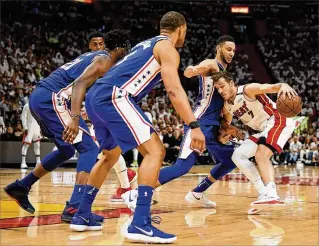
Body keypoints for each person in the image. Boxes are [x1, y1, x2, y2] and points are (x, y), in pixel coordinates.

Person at [63, 11, 206, 243]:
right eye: (185, 32)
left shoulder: (146, 43)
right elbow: (174, 90)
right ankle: (140, 223)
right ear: (181, 28)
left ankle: (82, 214)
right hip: (115, 96)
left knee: (110, 155)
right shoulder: (168, 48)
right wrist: (193, 125)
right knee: (156, 151)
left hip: (96, 95)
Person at [3, 30, 130, 224]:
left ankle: (21, 186)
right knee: (89, 148)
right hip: (52, 98)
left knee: (66, 149)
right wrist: (75, 116)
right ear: (120, 49)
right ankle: (74, 207)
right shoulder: (103, 59)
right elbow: (79, 84)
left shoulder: (95, 57)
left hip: (42, 98)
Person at [154, 36, 243, 209]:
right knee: (182, 166)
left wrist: (227, 127)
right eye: (228, 49)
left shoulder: (226, 75)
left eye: (233, 50)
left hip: (213, 126)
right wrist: (193, 70)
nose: (231, 53)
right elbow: (190, 71)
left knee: (232, 159)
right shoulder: (211, 64)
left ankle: (197, 193)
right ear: (218, 48)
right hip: (199, 123)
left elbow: (221, 108)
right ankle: (138, 191)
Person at [212, 70, 297, 213]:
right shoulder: (227, 106)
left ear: (231, 83)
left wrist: (283, 85)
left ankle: (272, 194)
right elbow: (225, 123)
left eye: (222, 86)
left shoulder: (247, 90)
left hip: (278, 119)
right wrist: (226, 130)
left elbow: (266, 87)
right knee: (238, 155)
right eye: (217, 88)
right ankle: (264, 193)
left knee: (261, 154)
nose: (220, 90)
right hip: (264, 129)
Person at [87, 31, 138, 203]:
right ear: (89, 46)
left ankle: (125, 185)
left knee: (106, 149)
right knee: (105, 150)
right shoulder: (91, 61)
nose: (99, 47)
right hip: (94, 106)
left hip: (107, 106)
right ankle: (126, 177)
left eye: (102, 44)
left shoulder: (111, 62)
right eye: (95, 44)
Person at [20, 103, 42, 169]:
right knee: (26, 144)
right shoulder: (27, 105)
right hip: (29, 127)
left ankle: (38, 162)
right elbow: (23, 117)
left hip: (37, 127)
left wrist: (41, 128)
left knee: (37, 145)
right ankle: (23, 162)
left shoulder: (38, 105)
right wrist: (25, 127)